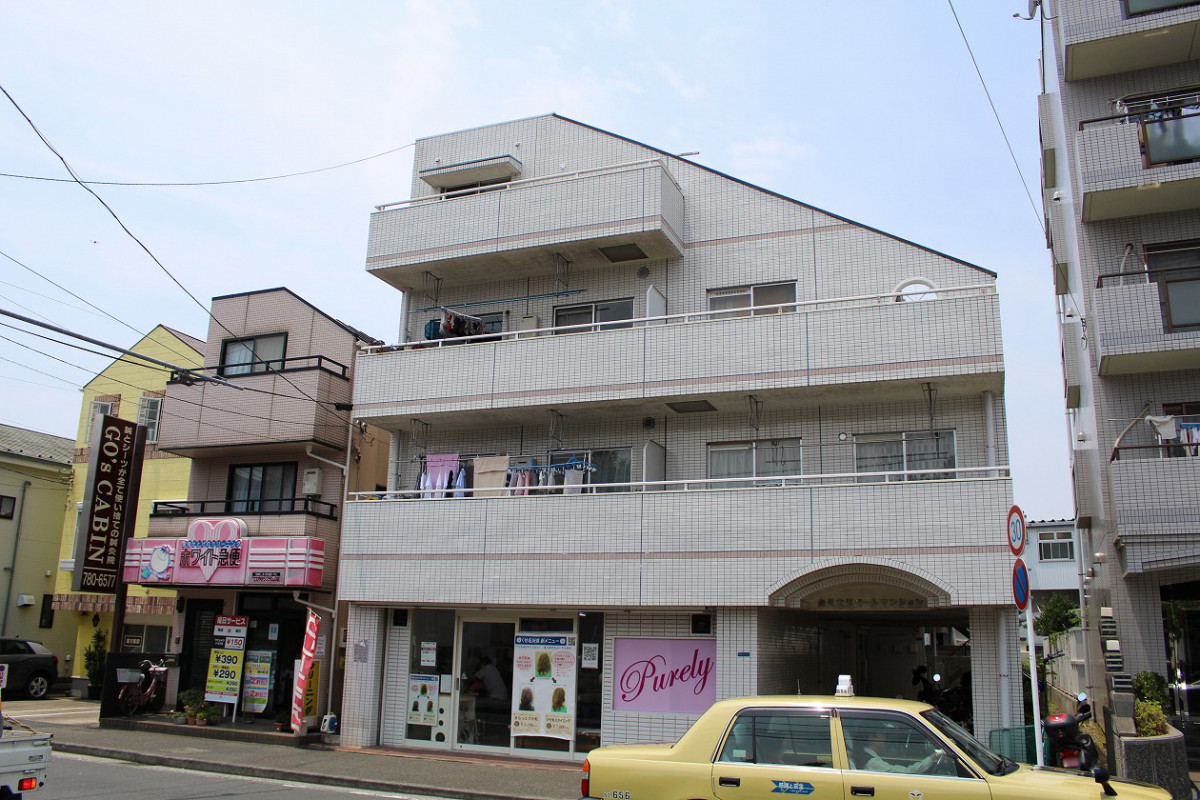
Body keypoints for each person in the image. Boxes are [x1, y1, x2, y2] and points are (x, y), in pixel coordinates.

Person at [859, 730, 946, 774]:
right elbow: (907, 772)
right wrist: (935, 755)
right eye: (881, 736)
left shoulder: (867, 755)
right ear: (871, 738)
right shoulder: (872, 762)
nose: (884, 739)